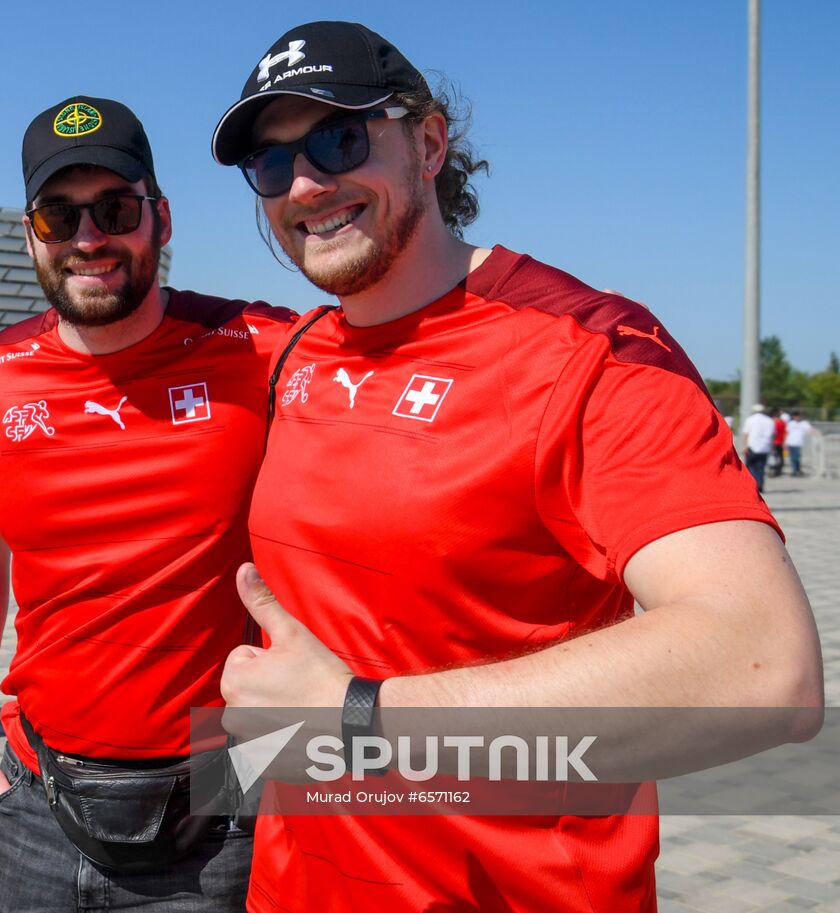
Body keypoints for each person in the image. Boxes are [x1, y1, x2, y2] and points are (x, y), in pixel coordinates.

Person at [209, 21, 823, 912]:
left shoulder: (591, 350)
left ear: (428, 142)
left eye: (339, 138)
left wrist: (358, 718)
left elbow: (766, 668)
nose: (305, 183)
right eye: (269, 165)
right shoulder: (291, 349)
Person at [0, 95, 296, 912]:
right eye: (58, 216)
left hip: (219, 808)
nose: (88, 238)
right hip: (34, 803)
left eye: (115, 208)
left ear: (160, 218)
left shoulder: (263, 349)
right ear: (31, 232)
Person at [742, 404, 775, 491]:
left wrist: (745, 446)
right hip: (765, 447)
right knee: (761, 467)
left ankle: (753, 484)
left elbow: (746, 434)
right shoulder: (769, 420)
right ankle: (760, 483)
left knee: (750, 466)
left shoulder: (750, 420)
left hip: (752, 446)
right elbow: (772, 435)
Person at [786, 410, 813, 476]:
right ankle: (796, 470)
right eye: (795, 416)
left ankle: (795, 470)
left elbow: (810, 430)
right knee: (793, 458)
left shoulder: (804, 423)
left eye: (797, 416)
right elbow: (787, 433)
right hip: (790, 442)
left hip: (798, 443)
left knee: (795, 458)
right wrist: (785, 442)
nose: (796, 417)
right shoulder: (790, 423)